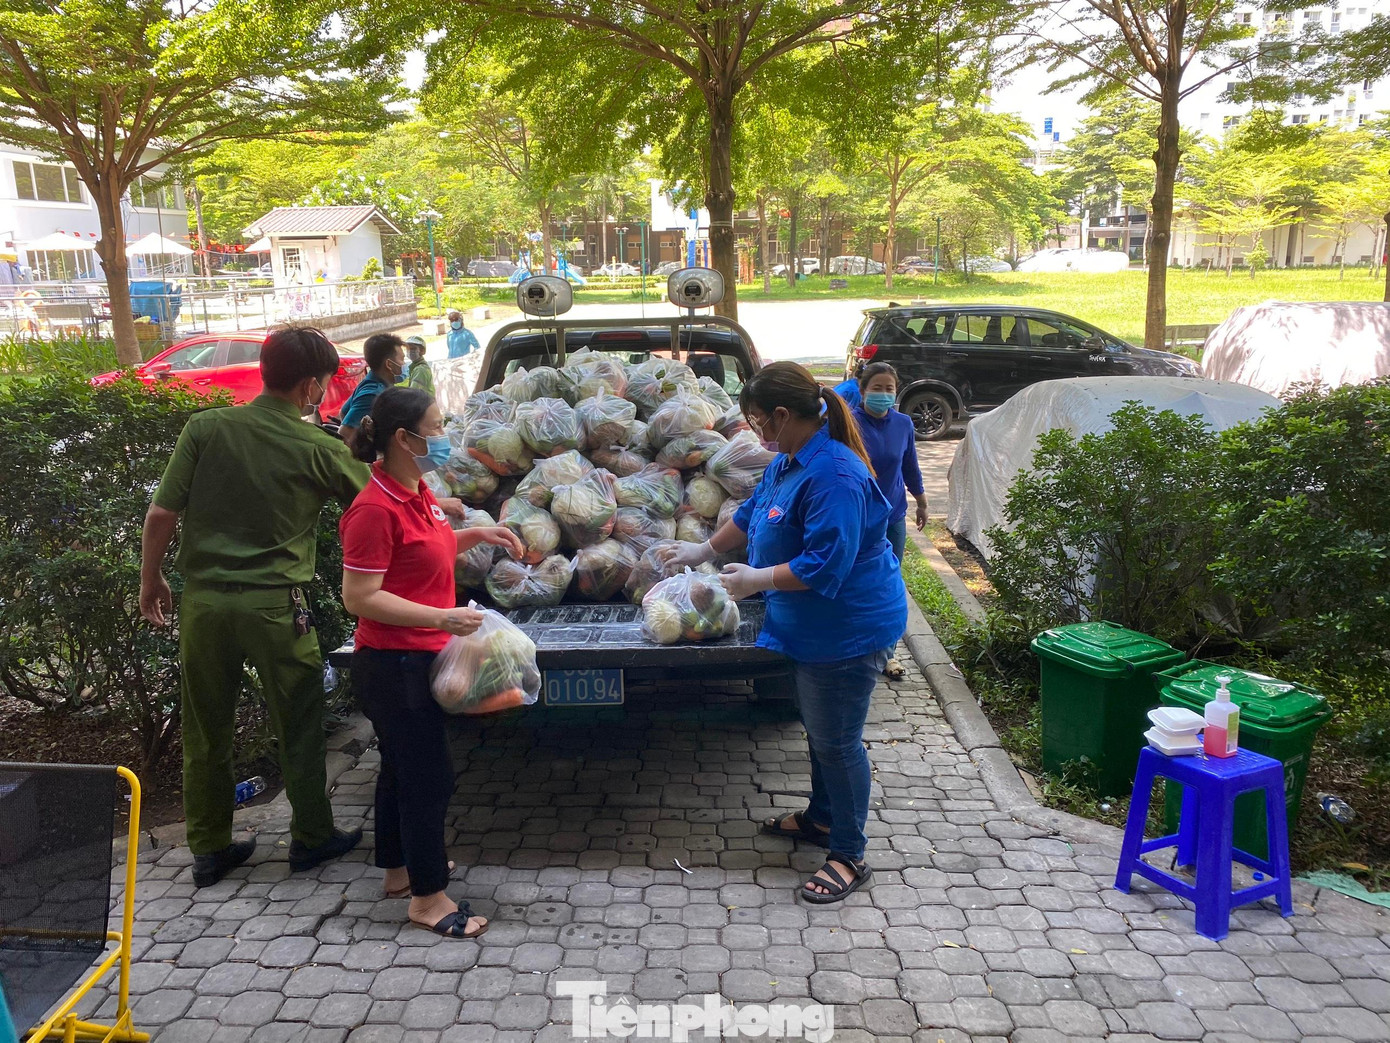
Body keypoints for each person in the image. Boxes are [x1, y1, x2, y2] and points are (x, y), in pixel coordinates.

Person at [661, 361, 907, 904]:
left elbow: (826, 565)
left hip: (846, 628)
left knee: (838, 743)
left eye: (752, 419)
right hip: (807, 626)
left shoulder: (835, 475)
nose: (750, 430)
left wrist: (757, 579)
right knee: (821, 732)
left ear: (779, 415)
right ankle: (822, 819)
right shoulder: (790, 459)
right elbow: (751, 514)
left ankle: (848, 853)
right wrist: (702, 550)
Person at [139, 326, 370, 887]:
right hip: (275, 610)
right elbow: (378, 509)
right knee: (299, 723)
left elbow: (161, 515)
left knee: (205, 728)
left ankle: (210, 849)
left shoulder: (207, 427)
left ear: (265, 370)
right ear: (311, 387)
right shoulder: (317, 447)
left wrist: (151, 580)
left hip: (205, 608)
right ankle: (311, 837)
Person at [340, 386, 524, 939]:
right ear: (405, 438)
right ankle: (428, 900)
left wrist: (474, 534)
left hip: (418, 658)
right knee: (429, 779)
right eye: (438, 429)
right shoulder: (372, 508)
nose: (445, 439)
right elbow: (360, 595)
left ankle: (398, 872)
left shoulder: (414, 491)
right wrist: (440, 618)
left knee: (400, 770)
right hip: (393, 665)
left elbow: (426, 548)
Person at [852, 361, 927, 680]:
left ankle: (887, 654)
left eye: (889, 389)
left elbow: (909, 465)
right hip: (856, 517)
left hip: (893, 514)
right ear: (862, 391)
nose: (883, 395)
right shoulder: (847, 424)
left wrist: (921, 500)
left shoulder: (903, 424)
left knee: (887, 585)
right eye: (877, 388)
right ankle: (852, 647)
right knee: (855, 583)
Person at [338, 333, 406, 444]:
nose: (404, 364)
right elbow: (344, 437)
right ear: (389, 364)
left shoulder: (370, 382)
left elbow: (343, 412)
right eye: (402, 359)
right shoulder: (373, 394)